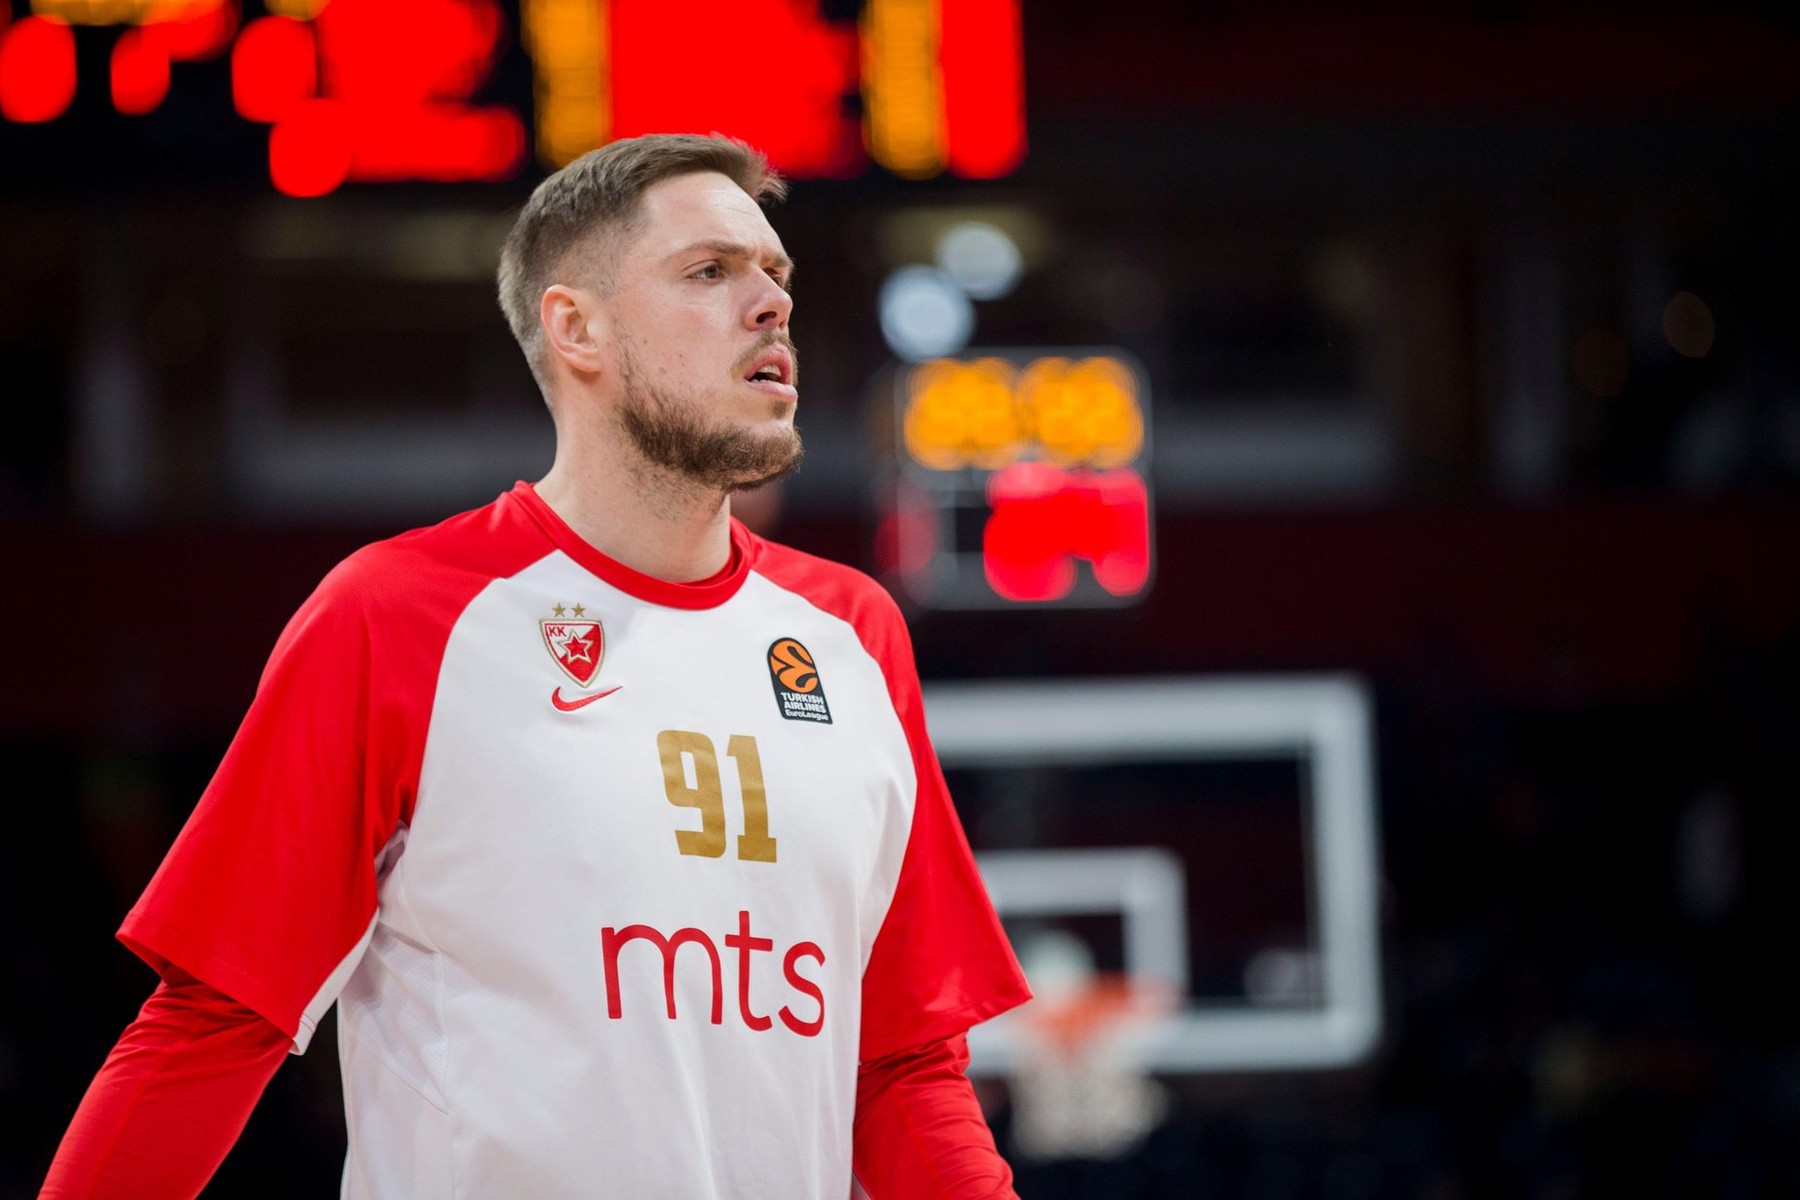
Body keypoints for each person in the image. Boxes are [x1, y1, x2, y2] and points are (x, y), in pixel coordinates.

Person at [43, 133, 1030, 1199]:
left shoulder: (853, 634)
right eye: (710, 272)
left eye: (776, 273)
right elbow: (209, 1026)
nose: (770, 303)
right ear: (576, 328)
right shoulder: (395, 616)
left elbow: (902, 1067)